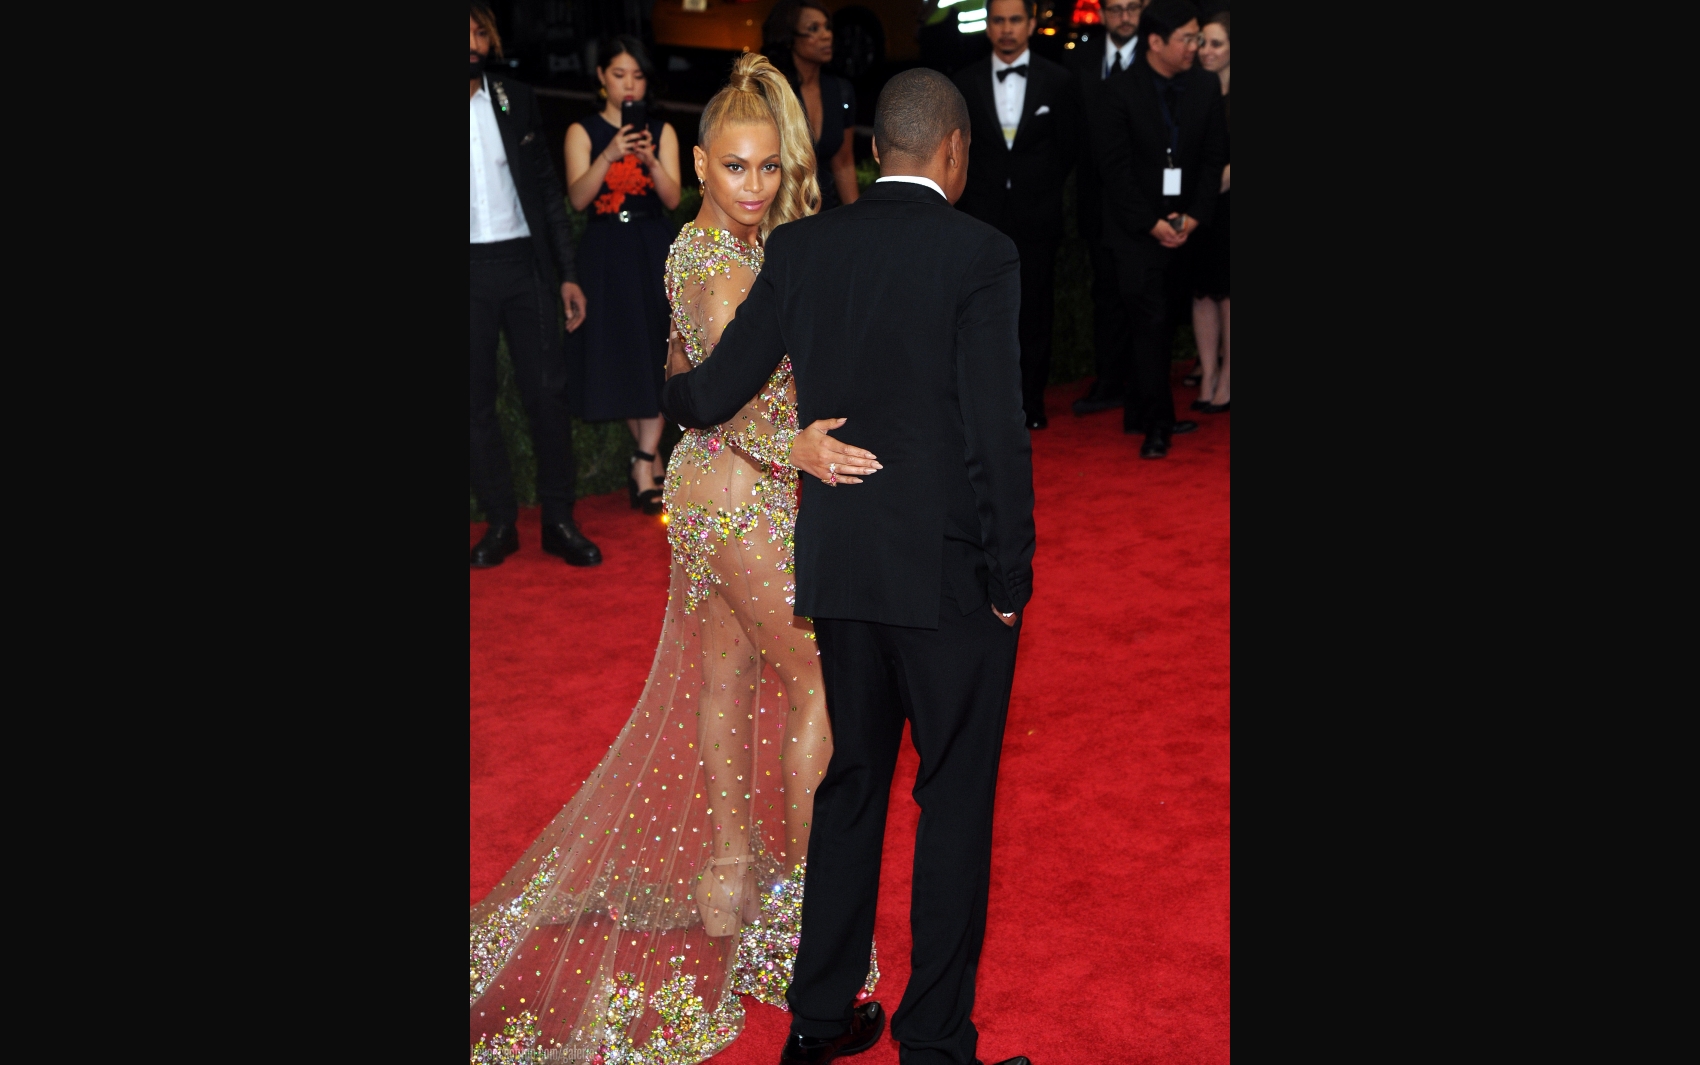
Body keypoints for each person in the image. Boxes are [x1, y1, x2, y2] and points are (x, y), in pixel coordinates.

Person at [469, 53, 885, 1065]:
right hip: (740, 498)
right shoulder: (729, 264)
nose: (751, 187)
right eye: (733, 169)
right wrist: (797, 441)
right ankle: (795, 922)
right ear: (701, 165)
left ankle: (729, 884)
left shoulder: (691, 248)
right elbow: (734, 396)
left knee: (725, 679)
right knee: (819, 688)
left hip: (696, 498)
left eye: (763, 169)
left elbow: (679, 375)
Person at [662, 67, 1035, 1065]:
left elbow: (708, 396)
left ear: (872, 151)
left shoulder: (799, 247)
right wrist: (1012, 579)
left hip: (837, 569)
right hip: (946, 578)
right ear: (952, 153)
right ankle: (934, 1044)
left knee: (851, 788)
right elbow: (995, 432)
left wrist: (671, 378)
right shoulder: (981, 254)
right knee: (951, 800)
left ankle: (818, 1020)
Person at [468, 4, 602, 568]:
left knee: (546, 395)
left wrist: (567, 273)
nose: (471, 42)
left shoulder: (513, 96)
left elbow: (548, 191)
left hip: (525, 265)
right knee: (473, 404)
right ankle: (500, 521)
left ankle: (558, 519)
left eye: (478, 32)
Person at [1093, 0, 1226, 458]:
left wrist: (1193, 216)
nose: (1196, 47)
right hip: (1135, 233)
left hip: (1186, 229)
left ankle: (1142, 411)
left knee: (1164, 324)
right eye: (1187, 38)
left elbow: (1212, 160)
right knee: (1148, 324)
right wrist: (1150, 223)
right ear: (1155, 42)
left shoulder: (1205, 88)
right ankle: (1158, 425)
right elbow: (1115, 171)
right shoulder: (1118, 92)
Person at [564, 36, 683, 515]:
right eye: (619, 74)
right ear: (600, 78)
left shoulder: (662, 129)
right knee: (626, 354)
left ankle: (642, 461)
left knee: (656, 350)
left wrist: (650, 160)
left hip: (652, 245)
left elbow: (674, 199)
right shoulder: (583, 130)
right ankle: (647, 462)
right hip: (606, 249)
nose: (629, 84)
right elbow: (577, 198)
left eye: (636, 75)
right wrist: (609, 154)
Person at [951, 0, 1079, 431]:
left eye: (1014, 20)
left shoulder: (1059, 80)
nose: (1006, 29)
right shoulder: (964, 83)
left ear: (1031, 23)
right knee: (978, 315)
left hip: (1037, 216)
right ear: (987, 26)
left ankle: (1032, 403)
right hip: (980, 219)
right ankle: (984, 405)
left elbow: (1068, 149)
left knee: (1036, 311)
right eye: (998, 20)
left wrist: (1037, 189)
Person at [1067, 0, 1145, 416]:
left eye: (1133, 7)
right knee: (1106, 294)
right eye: (1116, 8)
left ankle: (1143, 384)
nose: (1125, 16)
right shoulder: (1081, 60)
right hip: (1097, 200)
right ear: (1101, 12)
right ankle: (1109, 380)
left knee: (1143, 294)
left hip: (1144, 199)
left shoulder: (1158, 54)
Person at [763, 0, 859, 212]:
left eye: (827, 27)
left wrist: (857, 221)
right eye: (813, 29)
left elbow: (843, 162)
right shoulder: (772, 93)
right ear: (789, 38)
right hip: (779, 212)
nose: (826, 35)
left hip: (825, 216)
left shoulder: (841, 91)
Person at [1190, 9, 1230, 414]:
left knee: (1228, 295)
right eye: (1201, 42)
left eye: (1216, 43)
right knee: (1201, 293)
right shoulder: (1194, 89)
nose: (1206, 51)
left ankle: (1228, 377)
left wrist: (1207, 183)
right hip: (1198, 209)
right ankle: (1207, 373)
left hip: (1228, 208)